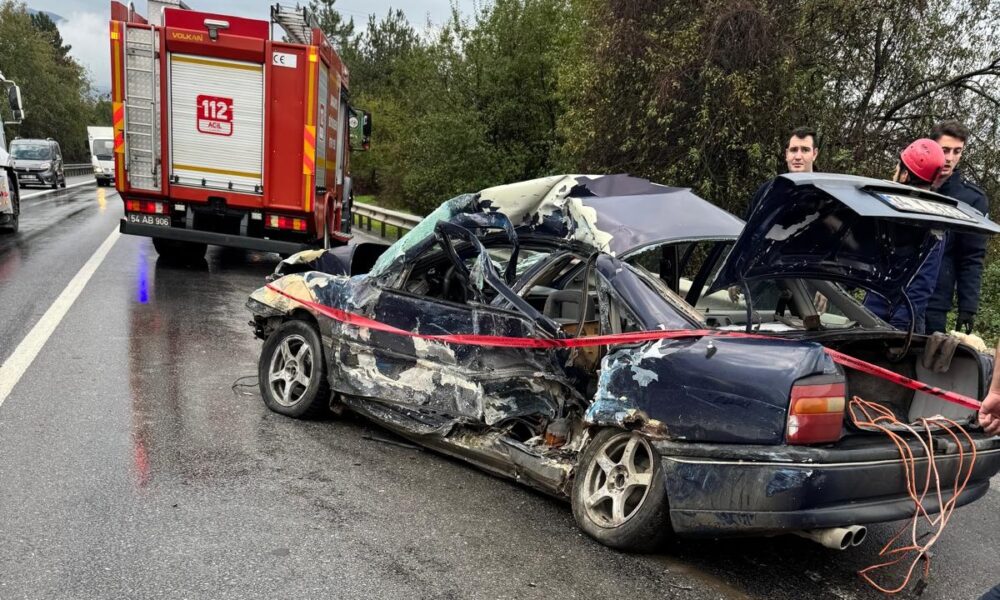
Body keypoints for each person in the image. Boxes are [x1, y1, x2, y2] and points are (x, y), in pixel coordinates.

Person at [863, 139, 946, 332]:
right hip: (873, 317)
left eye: (896, 169)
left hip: (898, 326)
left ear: (904, 175)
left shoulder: (932, 224)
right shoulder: (935, 220)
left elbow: (921, 284)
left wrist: (899, 331)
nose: (894, 174)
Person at [924, 121, 990, 335]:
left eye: (957, 151)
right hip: (894, 292)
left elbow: (972, 256)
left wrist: (967, 307)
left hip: (935, 301)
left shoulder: (971, 199)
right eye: (944, 150)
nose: (949, 158)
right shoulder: (910, 185)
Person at [744, 126, 818, 219]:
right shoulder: (768, 191)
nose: (798, 157)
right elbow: (748, 225)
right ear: (787, 154)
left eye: (805, 150)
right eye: (793, 150)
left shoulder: (825, 194)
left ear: (814, 154)